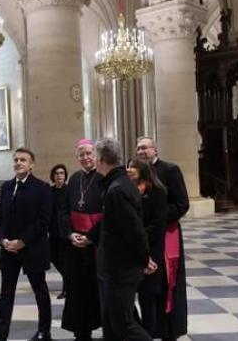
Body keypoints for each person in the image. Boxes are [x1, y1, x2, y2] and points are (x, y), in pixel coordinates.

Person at [86, 138, 153, 341]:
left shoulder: (117, 189)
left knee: (123, 324)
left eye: (95, 156)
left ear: (101, 159)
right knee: (111, 324)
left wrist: (144, 258)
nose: (93, 160)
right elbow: (111, 225)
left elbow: (134, 231)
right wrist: (89, 237)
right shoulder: (116, 184)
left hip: (121, 269)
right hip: (114, 268)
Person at [0, 148, 53, 341]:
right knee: (6, 292)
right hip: (9, 250)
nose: (18, 163)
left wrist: (22, 241)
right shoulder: (7, 187)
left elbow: (43, 222)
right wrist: (2, 240)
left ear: (31, 164)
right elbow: (1, 218)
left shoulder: (42, 188)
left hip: (32, 248)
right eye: (16, 159)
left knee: (40, 290)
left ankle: (44, 331)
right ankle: (0, 333)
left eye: (23, 160)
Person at [136, 136, 190, 341]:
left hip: (166, 235)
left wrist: (157, 219)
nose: (141, 151)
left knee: (167, 283)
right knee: (146, 284)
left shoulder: (170, 170)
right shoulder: (135, 174)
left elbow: (182, 203)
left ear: (155, 150)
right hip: (143, 236)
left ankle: (168, 331)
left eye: (145, 148)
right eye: (138, 148)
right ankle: (149, 329)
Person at [57, 139, 103, 341]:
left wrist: (91, 238)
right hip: (75, 245)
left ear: (96, 155)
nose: (85, 157)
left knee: (99, 290)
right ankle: (81, 332)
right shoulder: (74, 179)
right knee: (78, 290)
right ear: (77, 158)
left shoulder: (104, 177)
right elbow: (64, 210)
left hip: (98, 244)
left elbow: (110, 213)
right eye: (81, 154)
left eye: (89, 153)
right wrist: (69, 233)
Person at [127, 158, 168, 336]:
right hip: (132, 249)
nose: (128, 169)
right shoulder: (127, 190)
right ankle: (137, 332)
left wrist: (140, 238)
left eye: (132, 167)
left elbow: (158, 223)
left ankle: (149, 333)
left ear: (142, 169)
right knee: (127, 296)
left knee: (148, 296)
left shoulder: (157, 191)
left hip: (151, 248)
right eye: (127, 166)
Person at [49, 164, 68, 300]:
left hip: (66, 230)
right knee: (54, 257)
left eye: (61, 173)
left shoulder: (69, 190)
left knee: (65, 259)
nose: (59, 175)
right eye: (56, 173)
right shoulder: (50, 191)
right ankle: (69, 279)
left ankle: (67, 288)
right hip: (53, 229)